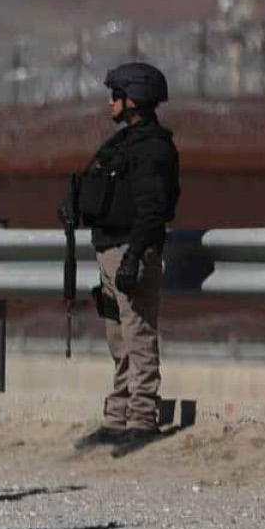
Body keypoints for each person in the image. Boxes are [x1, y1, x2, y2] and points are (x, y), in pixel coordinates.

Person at [71, 62, 181, 454]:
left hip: (130, 251)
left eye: (116, 95)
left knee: (137, 334)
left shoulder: (153, 148)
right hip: (108, 250)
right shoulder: (123, 144)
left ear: (134, 99)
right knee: (117, 337)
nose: (110, 102)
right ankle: (117, 417)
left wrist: (135, 256)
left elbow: (154, 210)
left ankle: (142, 418)